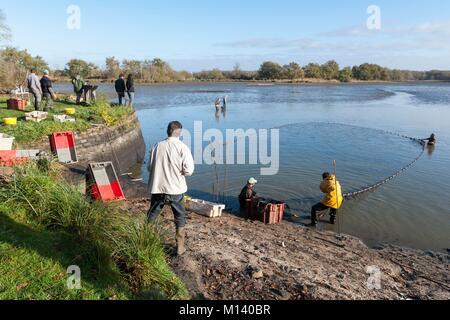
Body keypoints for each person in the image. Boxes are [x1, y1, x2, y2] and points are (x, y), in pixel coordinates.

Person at [147, 121, 195, 256]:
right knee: (180, 217)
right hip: (175, 189)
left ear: (167, 131)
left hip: (158, 188)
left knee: (152, 215)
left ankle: (145, 239)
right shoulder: (182, 147)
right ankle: (180, 248)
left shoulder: (157, 146)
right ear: (179, 133)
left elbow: (150, 168)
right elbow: (189, 171)